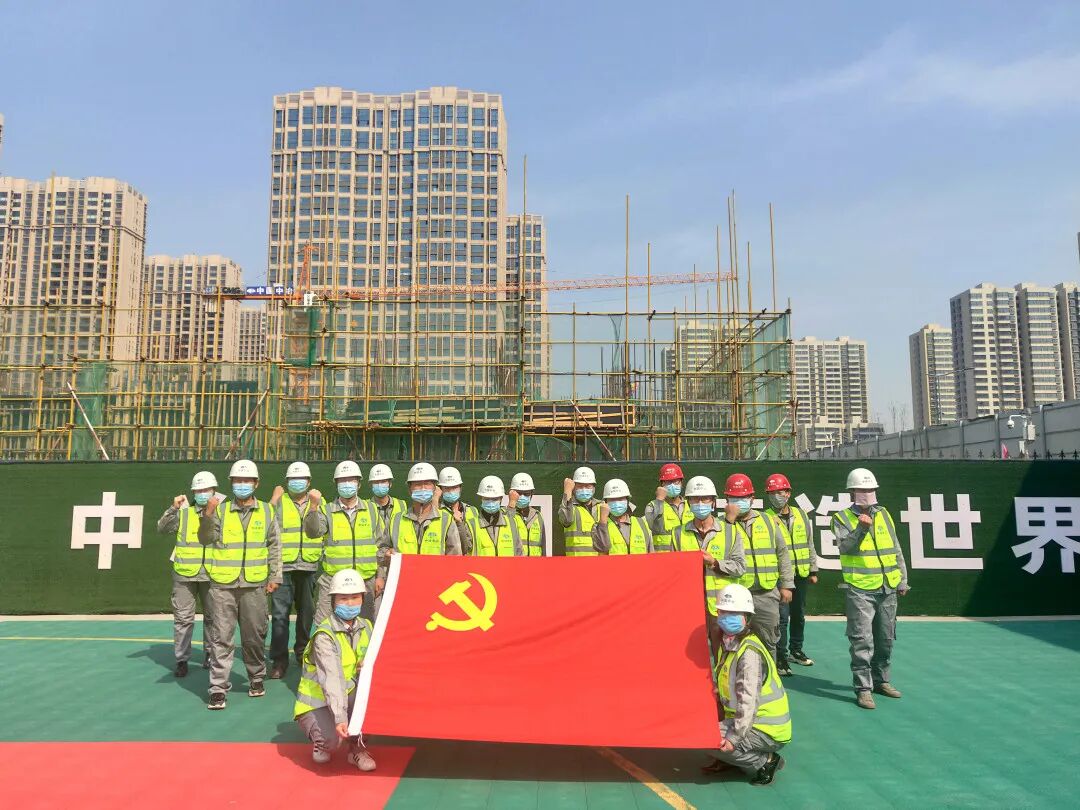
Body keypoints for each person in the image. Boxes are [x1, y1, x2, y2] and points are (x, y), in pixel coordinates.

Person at [198, 459, 282, 710]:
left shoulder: (267, 511)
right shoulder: (219, 510)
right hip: (223, 585)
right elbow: (205, 538)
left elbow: (275, 546)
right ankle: (217, 688)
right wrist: (208, 514)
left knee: (254, 636)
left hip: (254, 585)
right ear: (231, 483)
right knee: (221, 637)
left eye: (246, 480)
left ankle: (256, 676)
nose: (242, 484)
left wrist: (275, 576)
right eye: (237, 480)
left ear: (256, 483)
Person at [831, 467, 910, 710]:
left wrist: (902, 579)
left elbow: (895, 548)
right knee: (862, 640)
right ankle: (863, 689)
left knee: (886, 638)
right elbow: (845, 548)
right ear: (852, 492)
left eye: (871, 489)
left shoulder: (883, 514)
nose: (868, 493)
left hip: (888, 586)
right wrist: (861, 529)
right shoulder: (841, 518)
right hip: (860, 589)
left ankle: (881, 680)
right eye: (863, 490)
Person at [702, 584, 790, 786]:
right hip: (751, 721)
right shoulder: (730, 643)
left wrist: (733, 739)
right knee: (704, 728)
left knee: (705, 739)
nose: (727, 617)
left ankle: (765, 761)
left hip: (767, 728)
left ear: (747, 617)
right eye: (723, 612)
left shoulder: (749, 652)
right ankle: (732, 759)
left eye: (734, 613)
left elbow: (748, 702)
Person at [293, 568, 377, 772]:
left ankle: (357, 748)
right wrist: (340, 718)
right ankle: (321, 741)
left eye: (355, 597)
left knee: (374, 699)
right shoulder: (324, 635)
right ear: (333, 600)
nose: (350, 603)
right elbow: (332, 679)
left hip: (348, 693)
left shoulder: (367, 626)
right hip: (318, 700)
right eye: (343, 598)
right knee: (332, 741)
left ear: (362, 598)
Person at [720, 474, 793, 663]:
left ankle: (768, 679)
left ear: (752, 498)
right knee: (733, 641)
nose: (739, 502)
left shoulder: (768, 521)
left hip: (766, 594)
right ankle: (736, 679)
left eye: (743, 497)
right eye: (734, 498)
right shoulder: (720, 525)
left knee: (769, 641)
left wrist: (786, 584)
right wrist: (729, 522)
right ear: (726, 499)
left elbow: (782, 553)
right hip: (736, 596)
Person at [303, 461, 386, 625]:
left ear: (359, 483)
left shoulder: (371, 510)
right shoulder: (326, 510)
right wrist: (313, 506)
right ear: (336, 484)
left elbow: (381, 546)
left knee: (366, 626)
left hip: (365, 581)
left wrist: (380, 576)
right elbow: (312, 532)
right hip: (332, 581)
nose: (347, 484)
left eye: (351, 480)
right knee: (324, 626)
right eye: (342, 480)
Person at [673, 475, 745, 656]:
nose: (700, 503)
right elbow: (673, 573)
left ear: (713, 502)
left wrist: (714, 563)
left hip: (721, 608)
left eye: (705, 499)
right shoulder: (678, 533)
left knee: (724, 656)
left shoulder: (730, 531)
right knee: (691, 658)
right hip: (689, 608)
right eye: (695, 499)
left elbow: (740, 567)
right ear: (688, 502)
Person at [157, 470, 219, 678]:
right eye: (198, 490)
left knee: (213, 618)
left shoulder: (223, 513)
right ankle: (181, 660)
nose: (202, 493)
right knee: (183, 619)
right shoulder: (183, 513)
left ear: (214, 491)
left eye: (206, 489)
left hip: (212, 574)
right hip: (185, 575)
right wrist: (173, 508)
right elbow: (162, 528)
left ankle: (210, 654)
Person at [266, 461, 322, 679]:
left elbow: (321, 531)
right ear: (287, 481)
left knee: (306, 614)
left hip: (308, 566)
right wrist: (273, 500)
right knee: (280, 615)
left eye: (301, 479)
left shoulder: (319, 502)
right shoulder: (279, 502)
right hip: (283, 567)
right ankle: (279, 661)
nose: (297, 482)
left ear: (309, 482)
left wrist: (315, 505)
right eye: (292, 479)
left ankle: (302, 653)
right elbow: (263, 523)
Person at [763, 473, 819, 677]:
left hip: (801, 573)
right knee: (781, 618)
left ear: (788, 493)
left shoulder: (801, 515)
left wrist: (813, 569)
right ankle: (781, 656)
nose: (776, 496)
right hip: (780, 577)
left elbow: (809, 543)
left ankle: (796, 649)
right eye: (772, 493)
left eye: (780, 492)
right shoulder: (766, 518)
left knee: (798, 615)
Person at [378, 463, 467, 577]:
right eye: (417, 484)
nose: (423, 488)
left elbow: (455, 559)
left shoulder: (446, 520)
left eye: (427, 484)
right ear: (409, 489)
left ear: (435, 488)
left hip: (434, 583)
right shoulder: (396, 520)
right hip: (403, 582)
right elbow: (381, 550)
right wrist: (386, 555)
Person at [464, 476, 526, 556]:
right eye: (487, 498)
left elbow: (520, 554)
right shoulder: (471, 525)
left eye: (494, 499)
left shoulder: (511, 523)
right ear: (481, 498)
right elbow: (463, 553)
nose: (490, 502)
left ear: (501, 498)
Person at [592, 478, 653, 554]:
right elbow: (602, 548)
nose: (616, 502)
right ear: (605, 502)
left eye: (620, 499)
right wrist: (603, 521)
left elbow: (651, 552)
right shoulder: (598, 526)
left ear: (627, 500)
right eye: (612, 499)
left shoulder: (642, 523)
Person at [645, 463, 693, 552]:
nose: (672, 485)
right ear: (661, 484)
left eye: (676, 481)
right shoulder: (652, 506)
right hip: (663, 558)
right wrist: (659, 501)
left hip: (688, 556)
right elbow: (649, 524)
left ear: (681, 483)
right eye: (668, 482)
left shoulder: (691, 504)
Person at [558, 466, 601, 556]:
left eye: (588, 486)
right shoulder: (570, 506)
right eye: (580, 486)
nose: (584, 489)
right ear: (574, 488)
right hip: (576, 561)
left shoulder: (602, 506)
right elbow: (566, 520)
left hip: (600, 562)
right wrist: (567, 491)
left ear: (594, 488)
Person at [509, 472, 546, 556]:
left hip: (535, 563)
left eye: (526, 494)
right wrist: (511, 505)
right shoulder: (505, 515)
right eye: (519, 493)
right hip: (515, 563)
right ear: (512, 493)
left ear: (531, 494)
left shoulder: (538, 516)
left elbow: (543, 546)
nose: (522, 496)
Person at [368, 463, 407, 530]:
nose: (379, 485)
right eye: (376, 482)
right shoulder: (366, 506)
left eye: (383, 481)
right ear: (371, 485)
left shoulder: (402, 505)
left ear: (390, 484)